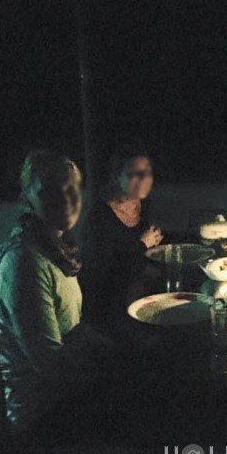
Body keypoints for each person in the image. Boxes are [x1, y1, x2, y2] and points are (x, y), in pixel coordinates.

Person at [0, 150, 112, 434]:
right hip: (43, 409)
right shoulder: (24, 264)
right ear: (27, 199)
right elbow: (53, 368)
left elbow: (74, 329)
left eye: (72, 187)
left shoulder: (56, 249)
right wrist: (107, 369)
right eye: (51, 189)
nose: (67, 197)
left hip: (64, 388)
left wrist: (114, 349)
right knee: (148, 403)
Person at [79, 142, 163, 332]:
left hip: (137, 290)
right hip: (108, 305)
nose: (144, 178)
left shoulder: (143, 205)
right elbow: (105, 274)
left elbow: (139, 255)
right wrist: (143, 244)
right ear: (117, 176)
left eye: (147, 172)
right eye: (134, 173)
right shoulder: (100, 216)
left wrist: (153, 246)